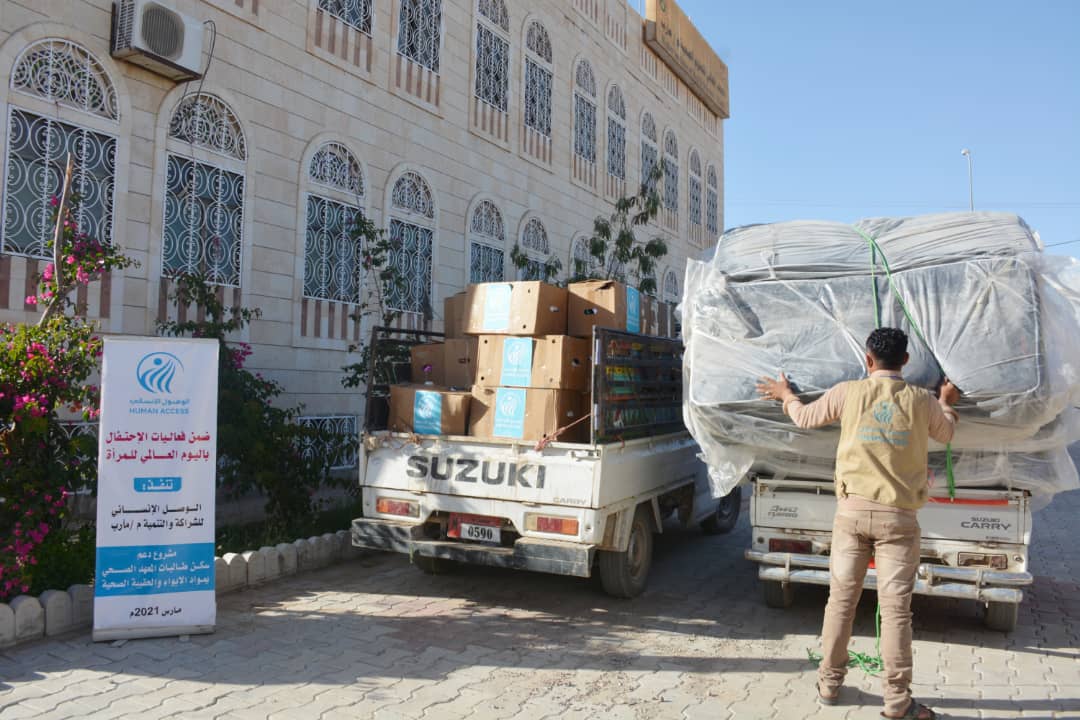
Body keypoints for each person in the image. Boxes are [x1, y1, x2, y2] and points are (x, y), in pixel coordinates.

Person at [756, 327, 960, 720]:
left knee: (841, 603)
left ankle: (830, 685)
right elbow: (947, 432)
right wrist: (947, 401)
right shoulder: (921, 401)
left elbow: (804, 418)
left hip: (851, 516)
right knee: (896, 611)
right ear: (905, 361)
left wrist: (786, 396)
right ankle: (897, 701)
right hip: (899, 521)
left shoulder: (848, 392)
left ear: (868, 360)